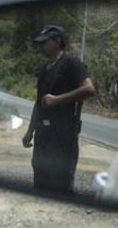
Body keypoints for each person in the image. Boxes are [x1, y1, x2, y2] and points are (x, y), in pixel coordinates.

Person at [22, 25, 96, 194]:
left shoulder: (72, 63)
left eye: (45, 42)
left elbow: (89, 89)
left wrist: (57, 100)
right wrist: (29, 131)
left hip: (64, 133)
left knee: (60, 181)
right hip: (43, 134)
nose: (41, 46)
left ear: (57, 42)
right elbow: (38, 103)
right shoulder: (43, 69)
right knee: (40, 177)